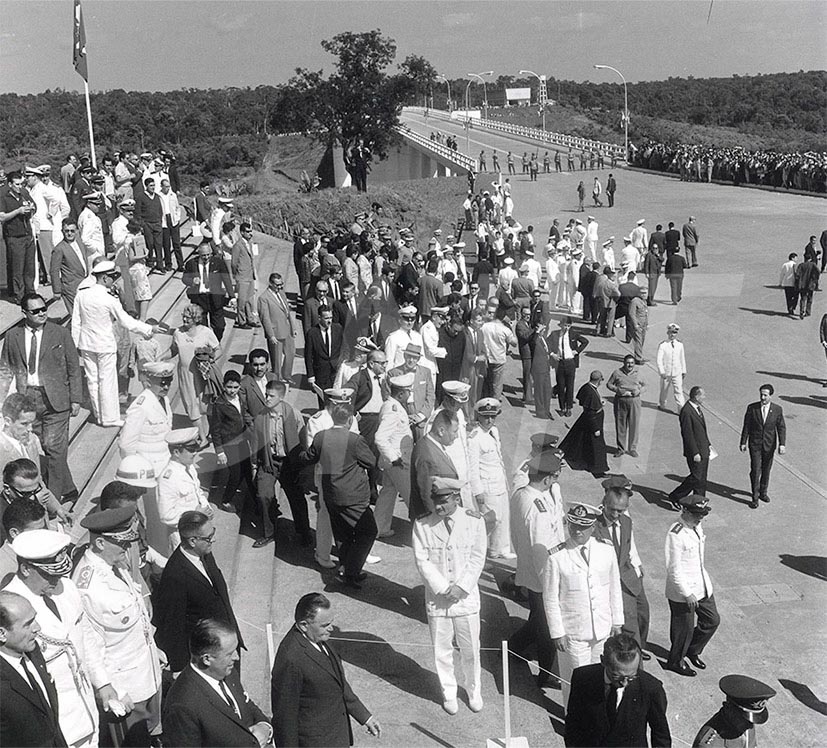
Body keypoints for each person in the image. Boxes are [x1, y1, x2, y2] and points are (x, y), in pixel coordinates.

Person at [5, 530, 116, 748]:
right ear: (26, 569)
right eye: (49, 574)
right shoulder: (9, 607)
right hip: (53, 724)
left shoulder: (66, 588)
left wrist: (103, 682)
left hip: (86, 711)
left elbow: (85, 638)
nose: (57, 579)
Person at [72, 506, 164, 746]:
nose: (127, 549)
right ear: (100, 543)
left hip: (144, 671)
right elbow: (89, 644)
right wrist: (107, 685)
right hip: (124, 689)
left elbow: (135, 616)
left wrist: (153, 649)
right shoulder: (87, 586)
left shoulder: (115, 565)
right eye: (122, 544)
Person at [412, 479, 487, 715]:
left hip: (465, 598)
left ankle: (474, 691)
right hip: (439, 598)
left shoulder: (474, 521)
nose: (438, 507)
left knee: (471, 649)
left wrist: (461, 587)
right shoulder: (423, 524)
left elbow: (477, 557)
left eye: (444, 501)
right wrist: (444, 588)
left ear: (457, 498)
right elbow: (422, 559)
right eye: (436, 501)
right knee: (441, 649)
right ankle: (449, 692)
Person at [0, 293, 82, 502]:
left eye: (43, 308)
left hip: (56, 400)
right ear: (24, 312)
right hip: (27, 400)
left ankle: (51, 499)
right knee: (38, 447)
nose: (41, 313)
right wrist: (2, 400)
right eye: (35, 311)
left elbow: (73, 367)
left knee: (54, 447)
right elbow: (5, 370)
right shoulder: (12, 336)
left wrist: (76, 399)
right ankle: (69, 487)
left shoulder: (60, 333)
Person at [544, 502, 624, 709]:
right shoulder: (557, 557)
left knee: (601, 677)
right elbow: (550, 597)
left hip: (602, 628)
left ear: (593, 527)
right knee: (576, 681)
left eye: (583, 526)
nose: (577, 531)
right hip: (574, 632)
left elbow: (614, 587)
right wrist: (557, 632)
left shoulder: (606, 550)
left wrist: (617, 621)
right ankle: (574, 719)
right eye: (573, 526)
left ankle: (596, 717)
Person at [152, 511, 244, 675]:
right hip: (208, 656)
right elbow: (173, 624)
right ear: (193, 540)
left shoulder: (205, 554)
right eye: (208, 537)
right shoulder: (175, 575)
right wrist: (180, 667)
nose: (213, 540)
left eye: (212, 533)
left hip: (226, 642)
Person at [300, 403, 377, 589]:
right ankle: (350, 570)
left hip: (331, 494)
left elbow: (308, 457)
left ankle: (347, 571)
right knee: (368, 532)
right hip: (353, 495)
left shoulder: (320, 437)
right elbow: (371, 461)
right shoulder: (355, 440)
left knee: (342, 534)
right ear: (350, 420)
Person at [163, 619, 271, 747]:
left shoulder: (227, 672)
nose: (236, 657)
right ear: (207, 659)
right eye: (230, 654)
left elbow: (246, 704)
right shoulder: (182, 705)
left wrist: (265, 726)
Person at [72, 260, 155, 427]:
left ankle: (99, 414)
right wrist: (148, 329)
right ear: (104, 278)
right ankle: (109, 418)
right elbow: (127, 322)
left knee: (93, 380)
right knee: (107, 381)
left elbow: (76, 322)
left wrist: (77, 343)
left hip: (86, 344)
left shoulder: (81, 294)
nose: (113, 281)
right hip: (104, 345)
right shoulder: (108, 298)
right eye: (111, 278)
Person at [509, 451, 565, 689]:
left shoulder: (521, 494)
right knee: (547, 628)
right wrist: (552, 582)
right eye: (555, 476)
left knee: (538, 619)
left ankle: (513, 647)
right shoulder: (538, 508)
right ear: (548, 478)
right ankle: (547, 673)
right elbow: (541, 550)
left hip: (528, 570)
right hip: (541, 576)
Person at [564, 633, 671, 748]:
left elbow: (661, 734)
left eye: (631, 677)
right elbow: (572, 723)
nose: (624, 683)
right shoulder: (582, 678)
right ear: (603, 661)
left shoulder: (651, 688)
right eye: (617, 676)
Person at [0, 589, 68, 747]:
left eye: (34, 619)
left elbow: (50, 724)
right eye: (27, 624)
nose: (37, 628)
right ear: (2, 634)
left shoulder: (33, 651)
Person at [664, 495, 720, 677]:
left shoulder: (696, 525)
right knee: (683, 631)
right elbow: (673, 569)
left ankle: (692, 649)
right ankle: (675, 661)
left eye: (702, 515)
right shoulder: (676, 533)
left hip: (702, 585)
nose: (700, 518)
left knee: (712, 620)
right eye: (696, 514)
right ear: (685, 511)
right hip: (683, 591)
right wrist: (687, 593)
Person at [595, 479, 651, 654]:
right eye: (612, 510)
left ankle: (639, 647)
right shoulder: (594, 527)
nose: (616, 514)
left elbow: (629, 543)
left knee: (643, 613)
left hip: (629, 574)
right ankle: (632, 657)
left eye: (621, 510)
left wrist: (637, 564)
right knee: (630, 622)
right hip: (613, 582)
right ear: (604, 504)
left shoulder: (626, 521)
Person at [467, 398, 513, 559]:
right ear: (478, 416)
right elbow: (472, 467)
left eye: (493, 417)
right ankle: (478, 548)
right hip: (487, 485)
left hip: (499, 481)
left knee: (504, 516)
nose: (489, 420)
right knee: (492, 519)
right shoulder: (474, 438)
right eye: (485, 417)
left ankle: (501, 549)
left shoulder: (494, 431)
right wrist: (477, 491)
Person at [156, 428, 213, 552]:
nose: (195, 453)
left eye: (195, 449)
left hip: (200, 531)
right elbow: (166, 515)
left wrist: (206, 508)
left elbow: (198, 492)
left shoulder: (189, 467)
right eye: (190, 450)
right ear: (176, 452)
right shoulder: (168, 479)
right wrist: (196, 514)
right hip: (183, 537)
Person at [209, 369, 256, 514]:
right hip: (228, 444)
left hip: (242, 440)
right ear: (223, 386)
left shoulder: (239, 399)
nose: (232, 390)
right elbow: (215, 430)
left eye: (235, 387)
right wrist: (220, 452)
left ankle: (254, 498)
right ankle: (226, 500)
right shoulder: (219, 405)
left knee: (247, 470)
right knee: (235, 474)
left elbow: (243, 414)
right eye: (229, 387)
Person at [373, 372, 414, 538]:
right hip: (398, 462)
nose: (410, 395)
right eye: (408, 391)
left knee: (388, 493)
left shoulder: (392, 406)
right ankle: (425, 535)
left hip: (393, 461)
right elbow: (380, 437)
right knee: (412, 498)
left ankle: (378, 528)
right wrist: (394, 458)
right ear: (401, 393)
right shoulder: (393, 409)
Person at [119, 361, 174, 478]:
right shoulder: (141, 406)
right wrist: (136, 468)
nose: (166, 387)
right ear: (149, 382)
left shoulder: (164, 399)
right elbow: (126, 444)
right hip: (149, 468)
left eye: (169, 382)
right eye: (162, 383)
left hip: (165, 462)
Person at [692, 675, 776, 747]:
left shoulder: (745, 723)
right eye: (745, 719)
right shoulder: (710, 745)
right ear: (728, 708)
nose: (750, 726)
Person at [739, 384, 786, 508]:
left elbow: (781, 428)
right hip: (755, 445)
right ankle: (755, 497)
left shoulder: (777, 410)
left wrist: (782, 444)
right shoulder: (752, 408)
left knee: (766, 470)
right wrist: (743, 442)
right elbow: (747, 426)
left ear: (771, 396)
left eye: (765, 395)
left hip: (769, 446)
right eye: (761, 395)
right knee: (755, 470)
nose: (763, 397)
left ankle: (763, 492)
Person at [409, 409, 460, 519]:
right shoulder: (427, 456)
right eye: (455, 431)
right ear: (441, 431)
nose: (457, 436)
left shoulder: (432, 445)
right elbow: (428, 497)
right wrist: (441, 523)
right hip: (435, 519)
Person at [668, 386, 713, 508]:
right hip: (695, 452)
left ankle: (700, 502)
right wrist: (694, 452)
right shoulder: (687, 411)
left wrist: (708, 444)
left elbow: (701, 430)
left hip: (703, 449)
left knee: (702, 478)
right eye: (703, 395)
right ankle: (676, 495)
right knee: (696, 477)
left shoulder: (697, 408)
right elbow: (687, 434)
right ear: (696, 397)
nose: (704, 397)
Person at [559, 371, 610, 476]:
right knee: (597, 446)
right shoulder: (591, 392)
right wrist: (596, 428)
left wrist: (600, 403)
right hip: (594, 423)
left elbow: (589, 405)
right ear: (599, 380)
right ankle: (598, 470)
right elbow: (591, 413)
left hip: (587, 420)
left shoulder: (586, 387)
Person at [182, 241, 234, 341]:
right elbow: (184, 278)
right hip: (199, 299)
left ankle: (215, 342)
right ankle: (205, 346)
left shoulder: (218, 263)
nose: (206, 257)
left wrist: (232, 296)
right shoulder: (191, 264)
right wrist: (192, 281)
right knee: (202, 327)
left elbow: (226, 280)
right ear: (199, 254)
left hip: (215, 298)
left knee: (219, 326)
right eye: (203, 255)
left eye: (208, 255)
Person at [0, 170, 37, 303]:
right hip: (15, 237)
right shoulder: (4, 197)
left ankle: (31, 294)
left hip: (28, 235)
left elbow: (35, 207)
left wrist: (31, 208)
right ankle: (20, 296)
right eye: (17, 184)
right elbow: (2, 217)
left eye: (21, 183)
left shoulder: (25, 194)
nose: (20, 187)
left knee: (30, 268)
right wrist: (17, 211)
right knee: (18, 268)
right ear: (10, 184)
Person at [387, 342, 434, 440]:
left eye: (414, 358)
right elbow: (388, 397)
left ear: (418, 359)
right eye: (409, 356)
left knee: (421, 445)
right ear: (404, 356)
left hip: (420, 416)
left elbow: (430, 396)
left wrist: (421, 416)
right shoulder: (393, 373)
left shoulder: (426, 372)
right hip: (401, 413)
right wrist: (402, 416)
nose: (411, 360)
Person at [258, 272, 297, 380]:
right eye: (277, 285)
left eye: (281, 284)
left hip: (287, 329)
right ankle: (278, 378)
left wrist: (293, 328)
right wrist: (271, 335)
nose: (280, 287)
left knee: (291, 353)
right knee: (277, 358)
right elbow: (265, 318)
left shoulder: (281, 293)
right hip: (275, 332)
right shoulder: (264, 298)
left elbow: (287, 311)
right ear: (270, 283)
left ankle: (287, 374)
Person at [548, 316, 589, 417]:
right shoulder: (555, 334)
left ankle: (569, 407)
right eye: (565, 325)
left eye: (568, 326)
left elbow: (585, 341)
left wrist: (577, 351)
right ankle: (562, 407)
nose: (566, 328)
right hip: (560, 363)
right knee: (561, 387)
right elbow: (545, 343)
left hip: (570, 363)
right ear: (561, 325)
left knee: (570, 386)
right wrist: (552, 354)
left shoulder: (573, 334)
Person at [606, 355, 646, 458]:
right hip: (621, 401)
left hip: (634, 401)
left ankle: (632, 449)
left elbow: (646, 385)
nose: (630, 365)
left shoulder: (638, 374)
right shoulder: (617, 373)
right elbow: (609, 384)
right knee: (620, 425)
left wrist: (639, 391)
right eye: (628, 363)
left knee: (634, 425)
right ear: (624, 363)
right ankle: (621, 448)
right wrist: (618, 390)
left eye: (632, 363)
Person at [50, 221, 93, 313]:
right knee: (76, 314)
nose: (69, 233)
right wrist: (57, 290)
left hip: (84, 283)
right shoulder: (59, 249)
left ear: (77, 231)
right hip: (71, 287)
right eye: (67, 231)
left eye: (72, 231)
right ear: (62, 231)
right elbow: (54, 270)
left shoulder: (80, 242)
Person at [305, 305, 344, 406]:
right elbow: (308, 356)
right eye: (326, 318)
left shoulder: (338, 328)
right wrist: (311, 376)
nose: (329, 321)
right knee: (323, 402)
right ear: (319, 318)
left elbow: (344, 348)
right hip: (321, 372)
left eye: (330, 317)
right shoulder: (312, 333)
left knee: (337, 400)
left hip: (336, 371)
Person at [656, 324, 686, 412]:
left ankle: (681, 409)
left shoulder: (680, 345)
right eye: (671, 333)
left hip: (677, 372)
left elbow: (682, 358)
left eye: (674, 333)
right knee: (664, 390)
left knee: (679, 391)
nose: (672, 335)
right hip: (666, 372)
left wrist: (683, 370)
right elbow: (659, 360)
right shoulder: (663, 345)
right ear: (667, 333)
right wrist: (661, 371)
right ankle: (662, 404)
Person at [794, 254, 819, 319]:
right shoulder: (813, 265)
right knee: (810, 298)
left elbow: (797, 275)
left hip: (802, 285)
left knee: (803, 299)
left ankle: (801, 312)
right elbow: (818, 272)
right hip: (810, 284)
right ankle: (808, 312)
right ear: (810, 259)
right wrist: (815, 279)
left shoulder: (801, 265)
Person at [779, 252, 799, 316]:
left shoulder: (785, 265)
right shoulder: (796, 265)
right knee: (795, 297)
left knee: (788, 297)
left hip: (786, 283)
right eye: (796, 257)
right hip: (794, 284)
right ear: (792, 258)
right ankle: (793, 306)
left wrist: (780, 283)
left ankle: (789, 309)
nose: (797, 259)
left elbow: (782, 274)